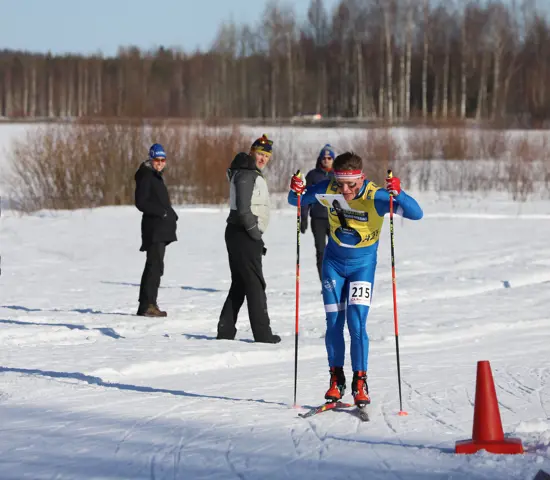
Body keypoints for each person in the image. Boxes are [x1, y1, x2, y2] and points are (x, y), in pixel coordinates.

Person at [288, 152, 423, 407]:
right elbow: (295, 200)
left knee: (357, 323)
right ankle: (335, 379)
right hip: (334, 266)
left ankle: (360, 381)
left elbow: (416, 214)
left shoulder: (376, 196)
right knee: (334, 322)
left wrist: (399, 194)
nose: (346, 190)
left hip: (362, 267)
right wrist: (296, 189)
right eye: (341, 184)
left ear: (362, 178)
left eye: (352, 184)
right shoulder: (328, 188)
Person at [217, 134, 281, 344]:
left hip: (239, 232)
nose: (263, 158)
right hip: (243, 233)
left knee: (240, 283)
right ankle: (263, 334)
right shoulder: (246, 173)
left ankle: (226, 329)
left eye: (266, 156)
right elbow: (244, 210)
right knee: (254, 284)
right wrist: (255, 232)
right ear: (252, 152)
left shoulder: (248, 171)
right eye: (260, 154)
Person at [134, 143, 178, 317]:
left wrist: (171, 214)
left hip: (160, 229)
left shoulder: (155, 176)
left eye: (162, 160)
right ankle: (147, 305)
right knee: (154, 266)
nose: (160, 163)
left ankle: (148, 304)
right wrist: (163, 213)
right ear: (151, 159)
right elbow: (141, 202)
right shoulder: (146, 176)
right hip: (154, 229)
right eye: (157, 160)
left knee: (156, 266)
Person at [300, 144, 335, 283]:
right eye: (323, 158)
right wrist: (303, 218)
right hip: (318, 219)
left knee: (335, 251)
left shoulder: (337, 175)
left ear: (333, 159)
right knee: (321, 251)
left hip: (335, 218)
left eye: (329, 158)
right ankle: (324, 282)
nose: (326, 160)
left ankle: (335, 280)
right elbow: (305, 198)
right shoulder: (313, 175)